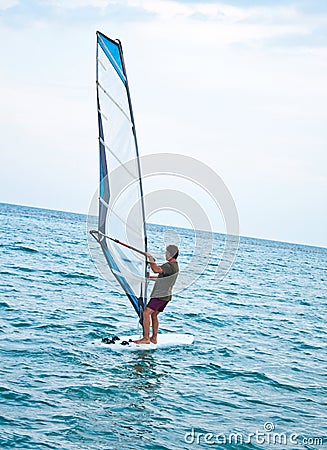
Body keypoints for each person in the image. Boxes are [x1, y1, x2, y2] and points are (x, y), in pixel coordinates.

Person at [134, 244, 179, 344]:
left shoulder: (169, 266)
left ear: (171, 254)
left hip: (160, 295)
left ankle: (146, 338)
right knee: (154, 315)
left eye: (166, 252)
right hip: (166, 296)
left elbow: (156, 269)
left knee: (146, 313)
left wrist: (150, 259)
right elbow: (161, 277)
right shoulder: (175, 266)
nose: (165, 254)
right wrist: (149, 277)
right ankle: (153, 338)